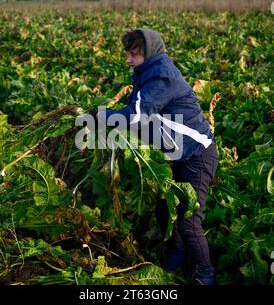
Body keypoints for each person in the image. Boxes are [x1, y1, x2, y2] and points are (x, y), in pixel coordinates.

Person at [93, 29, 219, 285]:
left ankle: (204, 273)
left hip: (197, 154)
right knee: (165, 210)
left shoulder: (162, 76)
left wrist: (101, 117)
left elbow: (137, 115)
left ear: (148, 53)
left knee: (188, 220)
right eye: (128, 54)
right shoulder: (147, 72)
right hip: (176, 153)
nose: (129, 59)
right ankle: (177, 254)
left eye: (134, 54)